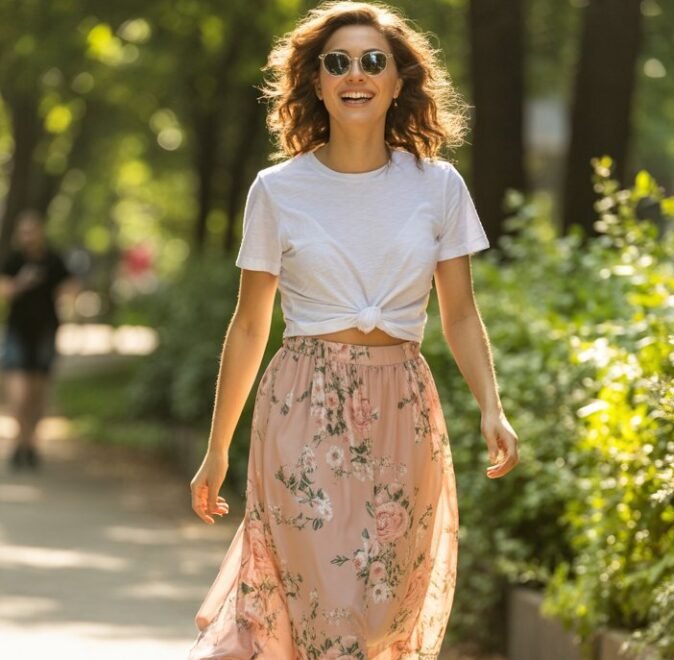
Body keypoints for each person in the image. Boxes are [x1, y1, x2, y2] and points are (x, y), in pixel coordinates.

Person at [188, 2, 520, 657]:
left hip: (403, 407)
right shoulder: (277, 190)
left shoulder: (439, 186)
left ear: (399, 81)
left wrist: (493, 408)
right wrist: (218, 447)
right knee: (321, 608)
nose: (355, 74)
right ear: (316, 82)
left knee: (382, 614)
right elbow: (251, 324)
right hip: (300, 407)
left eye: (374, 61)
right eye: (337, 62)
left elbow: (458, 313)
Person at [0, 210, 77, 469]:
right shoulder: (14, 261)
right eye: (23, 232)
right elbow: (4, 290)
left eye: (31, 231)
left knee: (38, 393)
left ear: (40, 232)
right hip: (17, 332)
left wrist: (68, 294)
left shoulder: (53, 260)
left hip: (45, 331)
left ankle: (31, 444)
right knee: (20, 394)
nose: (27, 237)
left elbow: (72, 285)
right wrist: (22, 282)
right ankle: (18, 442)